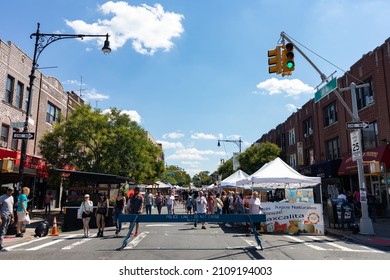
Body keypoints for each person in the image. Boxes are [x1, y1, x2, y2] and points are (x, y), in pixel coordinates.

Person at [0, 186, 15, 252]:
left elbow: (11, 208)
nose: (10, 191)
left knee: (5, 231)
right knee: (2, 231)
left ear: (13, 191)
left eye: (11, 190)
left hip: (9, 216)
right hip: (3, 216)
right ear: (7, 190)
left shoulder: (12, 198)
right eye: (9, 190)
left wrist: (12, 217)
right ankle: (0, 246)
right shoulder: (2, 197)